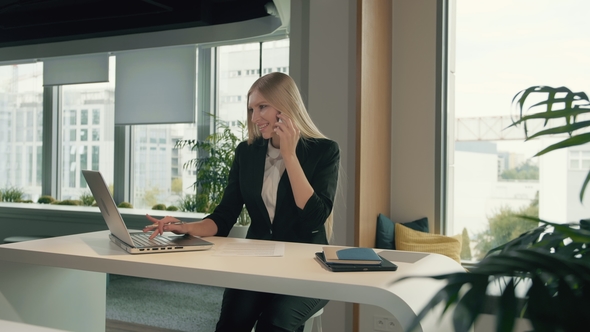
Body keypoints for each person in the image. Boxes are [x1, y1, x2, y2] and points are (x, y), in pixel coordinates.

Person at [143, 72, 340, 332]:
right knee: (231, 324)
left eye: (262, 107)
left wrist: (289, 156)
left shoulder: (324, 151)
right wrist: (186, 227)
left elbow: (315, 216)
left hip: (307, 267)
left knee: (274, 323)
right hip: (256, 264)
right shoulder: (246, 153)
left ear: (286, 106)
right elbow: (224, 215)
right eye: (251, 109)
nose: (254, 117)